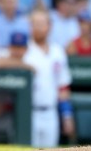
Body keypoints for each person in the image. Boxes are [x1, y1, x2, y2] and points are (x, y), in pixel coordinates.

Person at [24, 10, 74, 148]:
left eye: (42, 24)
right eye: (35, 24)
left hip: (51, 113)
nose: (39, 27)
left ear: (50, 26)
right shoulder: (23, 50)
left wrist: (66, 115)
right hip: (28, 112)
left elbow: (63, 87)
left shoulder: (57, 51)